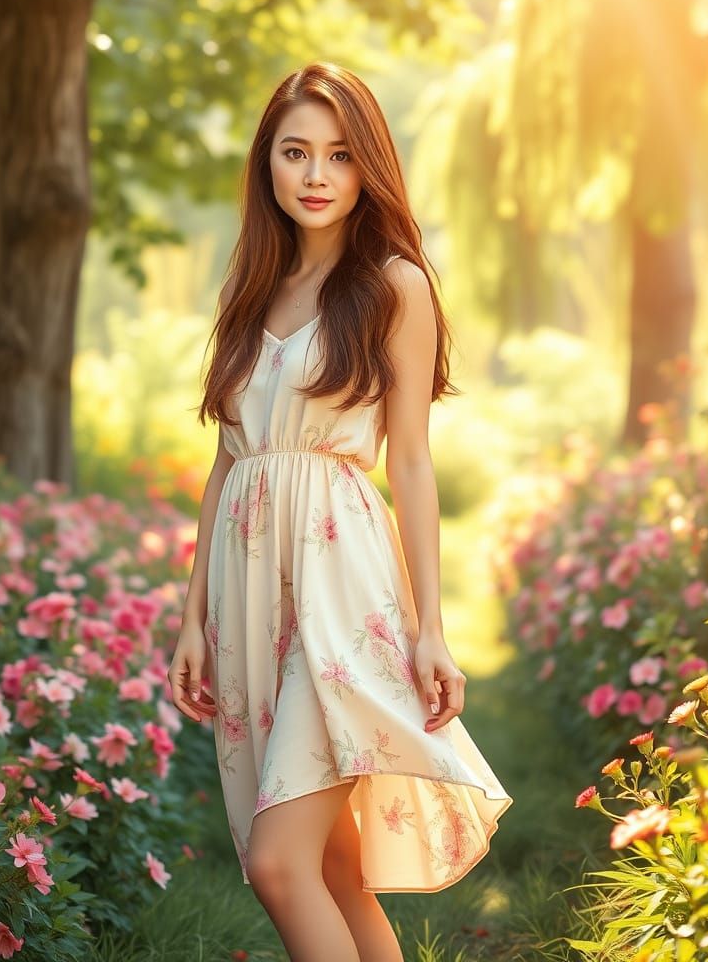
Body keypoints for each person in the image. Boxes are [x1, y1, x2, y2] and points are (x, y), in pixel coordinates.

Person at [168, 61, 513, 961]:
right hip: (249, 593)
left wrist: (431, 628)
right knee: (332, 867)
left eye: (338, 155)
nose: (315, 176)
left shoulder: (394, 286)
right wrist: (191, 616)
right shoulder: (249, 293)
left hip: (341, 587)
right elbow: (226, 460)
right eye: (294, 153)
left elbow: (412, 461)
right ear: (268, 166)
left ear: (368, 169)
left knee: (279, 864)